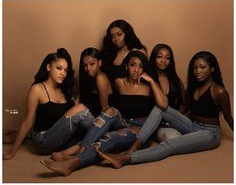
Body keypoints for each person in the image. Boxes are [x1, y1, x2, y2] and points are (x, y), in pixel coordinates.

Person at [96, 51, 233, 168]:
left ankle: (125, 159)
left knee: (169, 145)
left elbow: (228, 118)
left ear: (212, 69)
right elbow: (185, 108)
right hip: (193, 125)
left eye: (203, 67)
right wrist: (173, 119)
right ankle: (135, 146)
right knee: (160, 108)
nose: (198, 71)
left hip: (209, 133)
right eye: (195, 68)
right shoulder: (194, 87)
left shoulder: (219, 91)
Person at [40, 50, 168, 176]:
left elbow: (163, 105)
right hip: (123, 121)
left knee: (110, 136)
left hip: (141, 127)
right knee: (110, 110)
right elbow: (108, 103)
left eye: (140, 66)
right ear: (126, 66)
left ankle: (73, 162)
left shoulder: (149, 86)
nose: (136, 70)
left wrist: (151, 81)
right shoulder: (119, 83)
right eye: (132, 65)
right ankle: (80, 153)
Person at [3, 47, 112, 160]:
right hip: (44, 141)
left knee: (89, 137)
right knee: (82, 110)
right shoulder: (37, 89)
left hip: (61, 139)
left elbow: (69, 117)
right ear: (49, 67)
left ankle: (105, 138)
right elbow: (27, 123)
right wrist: (12, 153)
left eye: (65, 70)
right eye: (59, 68)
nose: (63, 73)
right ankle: (108, 135)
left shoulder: (64, 90)